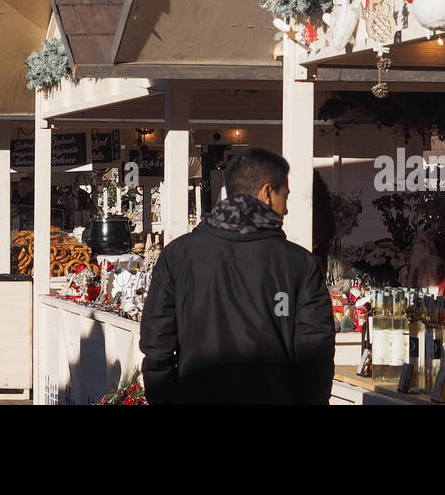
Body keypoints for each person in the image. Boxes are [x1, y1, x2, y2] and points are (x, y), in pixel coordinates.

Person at [138, 147, 334, 405]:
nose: (285, 210)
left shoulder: (178, 255)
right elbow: (314, 357)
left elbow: (157, 346)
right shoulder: (299, 264)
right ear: (267, 193)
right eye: (284, 197)